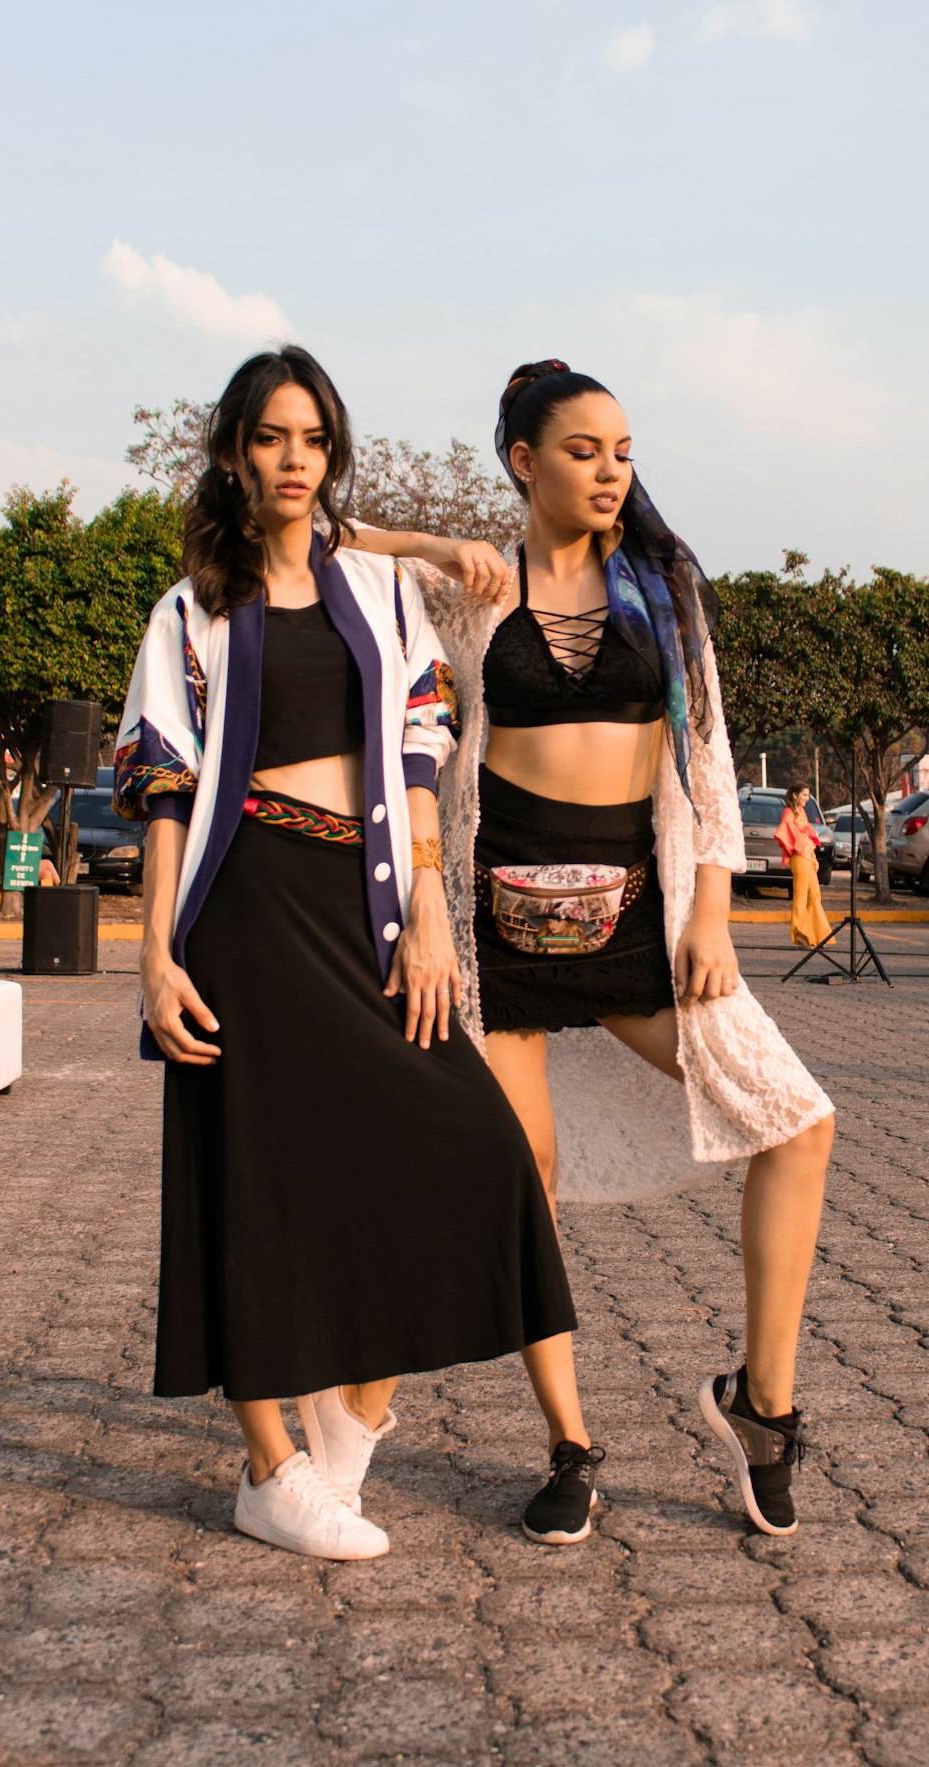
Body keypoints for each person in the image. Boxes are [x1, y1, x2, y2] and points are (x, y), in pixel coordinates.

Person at [111, 346, 592, 1562]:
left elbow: (422, 751)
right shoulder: (190, 611)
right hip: (246, 909)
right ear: (234, 448)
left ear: (332, 455)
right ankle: (269, 1465)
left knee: (466, 1152)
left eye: (312, 438)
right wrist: (154, 956)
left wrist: (428, 906)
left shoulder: (378, 592)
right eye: (269, 437)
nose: (290, 458)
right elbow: (165, 792)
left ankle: (340, 1451)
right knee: (255, 1177)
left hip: (366, 900)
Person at [353, 359, 836, 1538]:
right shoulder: (471, 587)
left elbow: (707, 756)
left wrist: (714, 911)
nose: (611, 470)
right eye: (582, 450)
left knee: (796, 1120)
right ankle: (569, 1443)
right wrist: (431, 540)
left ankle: (760, 1404)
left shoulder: (663, 590)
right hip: (493, 931)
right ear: (522, 460)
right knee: (530, 1188)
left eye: (622, 450)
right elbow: (312, 541)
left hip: (636, 920)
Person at [776, 784, 835, 947]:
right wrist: (800, 846)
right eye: (805, 795)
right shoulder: (788, 813)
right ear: (795, 795)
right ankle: (801, 934)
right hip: (799, 857)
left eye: (808, 795)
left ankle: (817, 934)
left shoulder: (801, 812)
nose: (807, 799)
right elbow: (786, 831)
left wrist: (814, 857)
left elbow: (808, 834)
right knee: (800, 895)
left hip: (808, 857)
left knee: (815, 895)